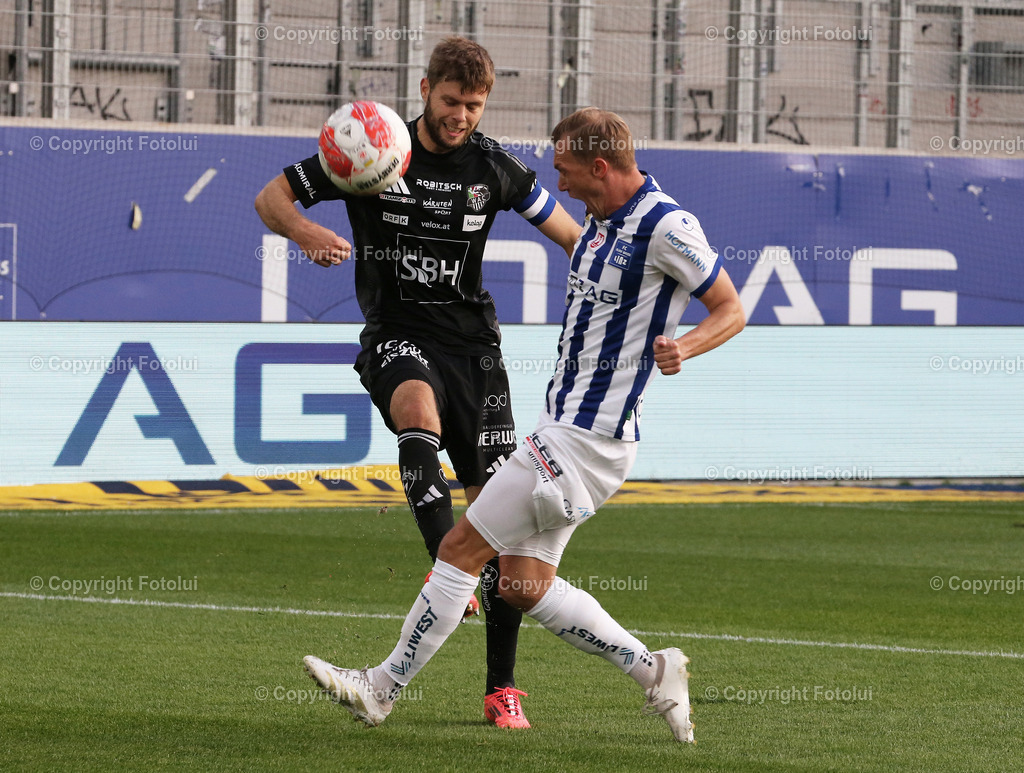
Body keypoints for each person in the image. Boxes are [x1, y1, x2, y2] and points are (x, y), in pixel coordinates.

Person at [301, 107, 746, 742]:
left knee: (458, 550)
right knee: (521, 585)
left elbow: (731, 306)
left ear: (599, 166)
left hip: (581, 443)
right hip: (574, 436)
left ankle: (381, 688)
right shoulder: (600, 219)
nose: (556, 182)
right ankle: (654, 671)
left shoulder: (666, 225)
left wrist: (689, 346)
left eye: (564, 169)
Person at [254, 37, 581, 729]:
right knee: (415, 408)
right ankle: (444, 567)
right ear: (426, 89)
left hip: (476, 351)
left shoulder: (493, 167)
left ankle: (502, 688)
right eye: (451, 101)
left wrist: (612, 274)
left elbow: (569, 236)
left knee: (501, 524)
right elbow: (271, 197)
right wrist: (307, 230)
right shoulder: (374, 145)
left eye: (474, 104)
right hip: (398, 334)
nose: (461, 115)